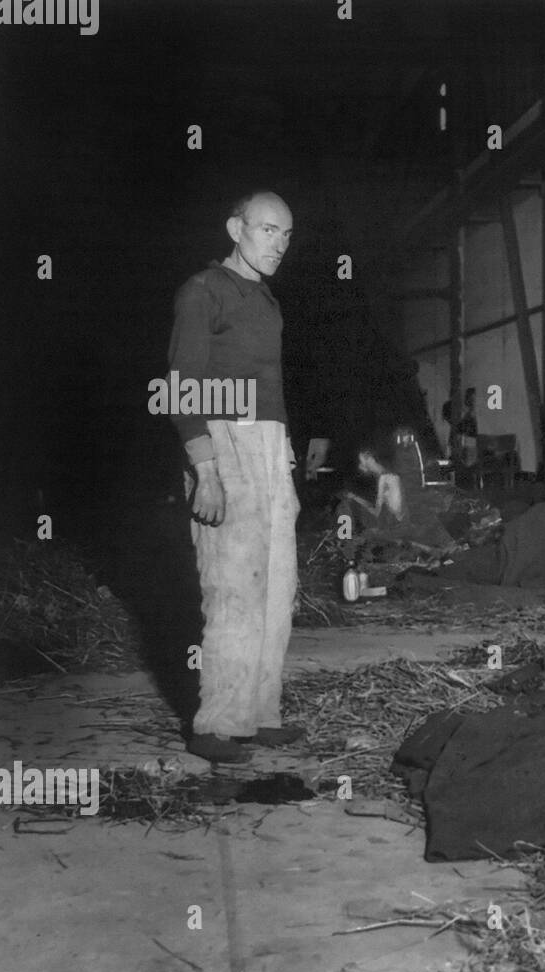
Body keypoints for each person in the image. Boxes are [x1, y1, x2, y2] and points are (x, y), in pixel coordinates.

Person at [169, 191, 302, 764]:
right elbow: (181, 388)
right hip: (224, 444)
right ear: (235, 228)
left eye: (286, 235)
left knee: (276, 587)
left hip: (269, 448)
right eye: (267, 230)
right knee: (233, 590)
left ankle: (259, 714)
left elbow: (270, 385)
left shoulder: (267, 301)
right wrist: (207, 471)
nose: (278, 244)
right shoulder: (204, 292)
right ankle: (218, 725)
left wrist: (287, 452)